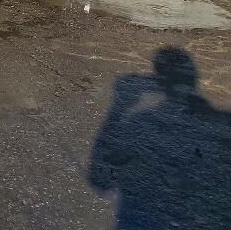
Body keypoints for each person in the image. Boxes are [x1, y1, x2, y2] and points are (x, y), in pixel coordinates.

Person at [89, 46, 231, 228]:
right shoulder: (224, 123)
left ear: (158, 82)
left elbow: (100, 179)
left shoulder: (139, 125)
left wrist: (119, 106)